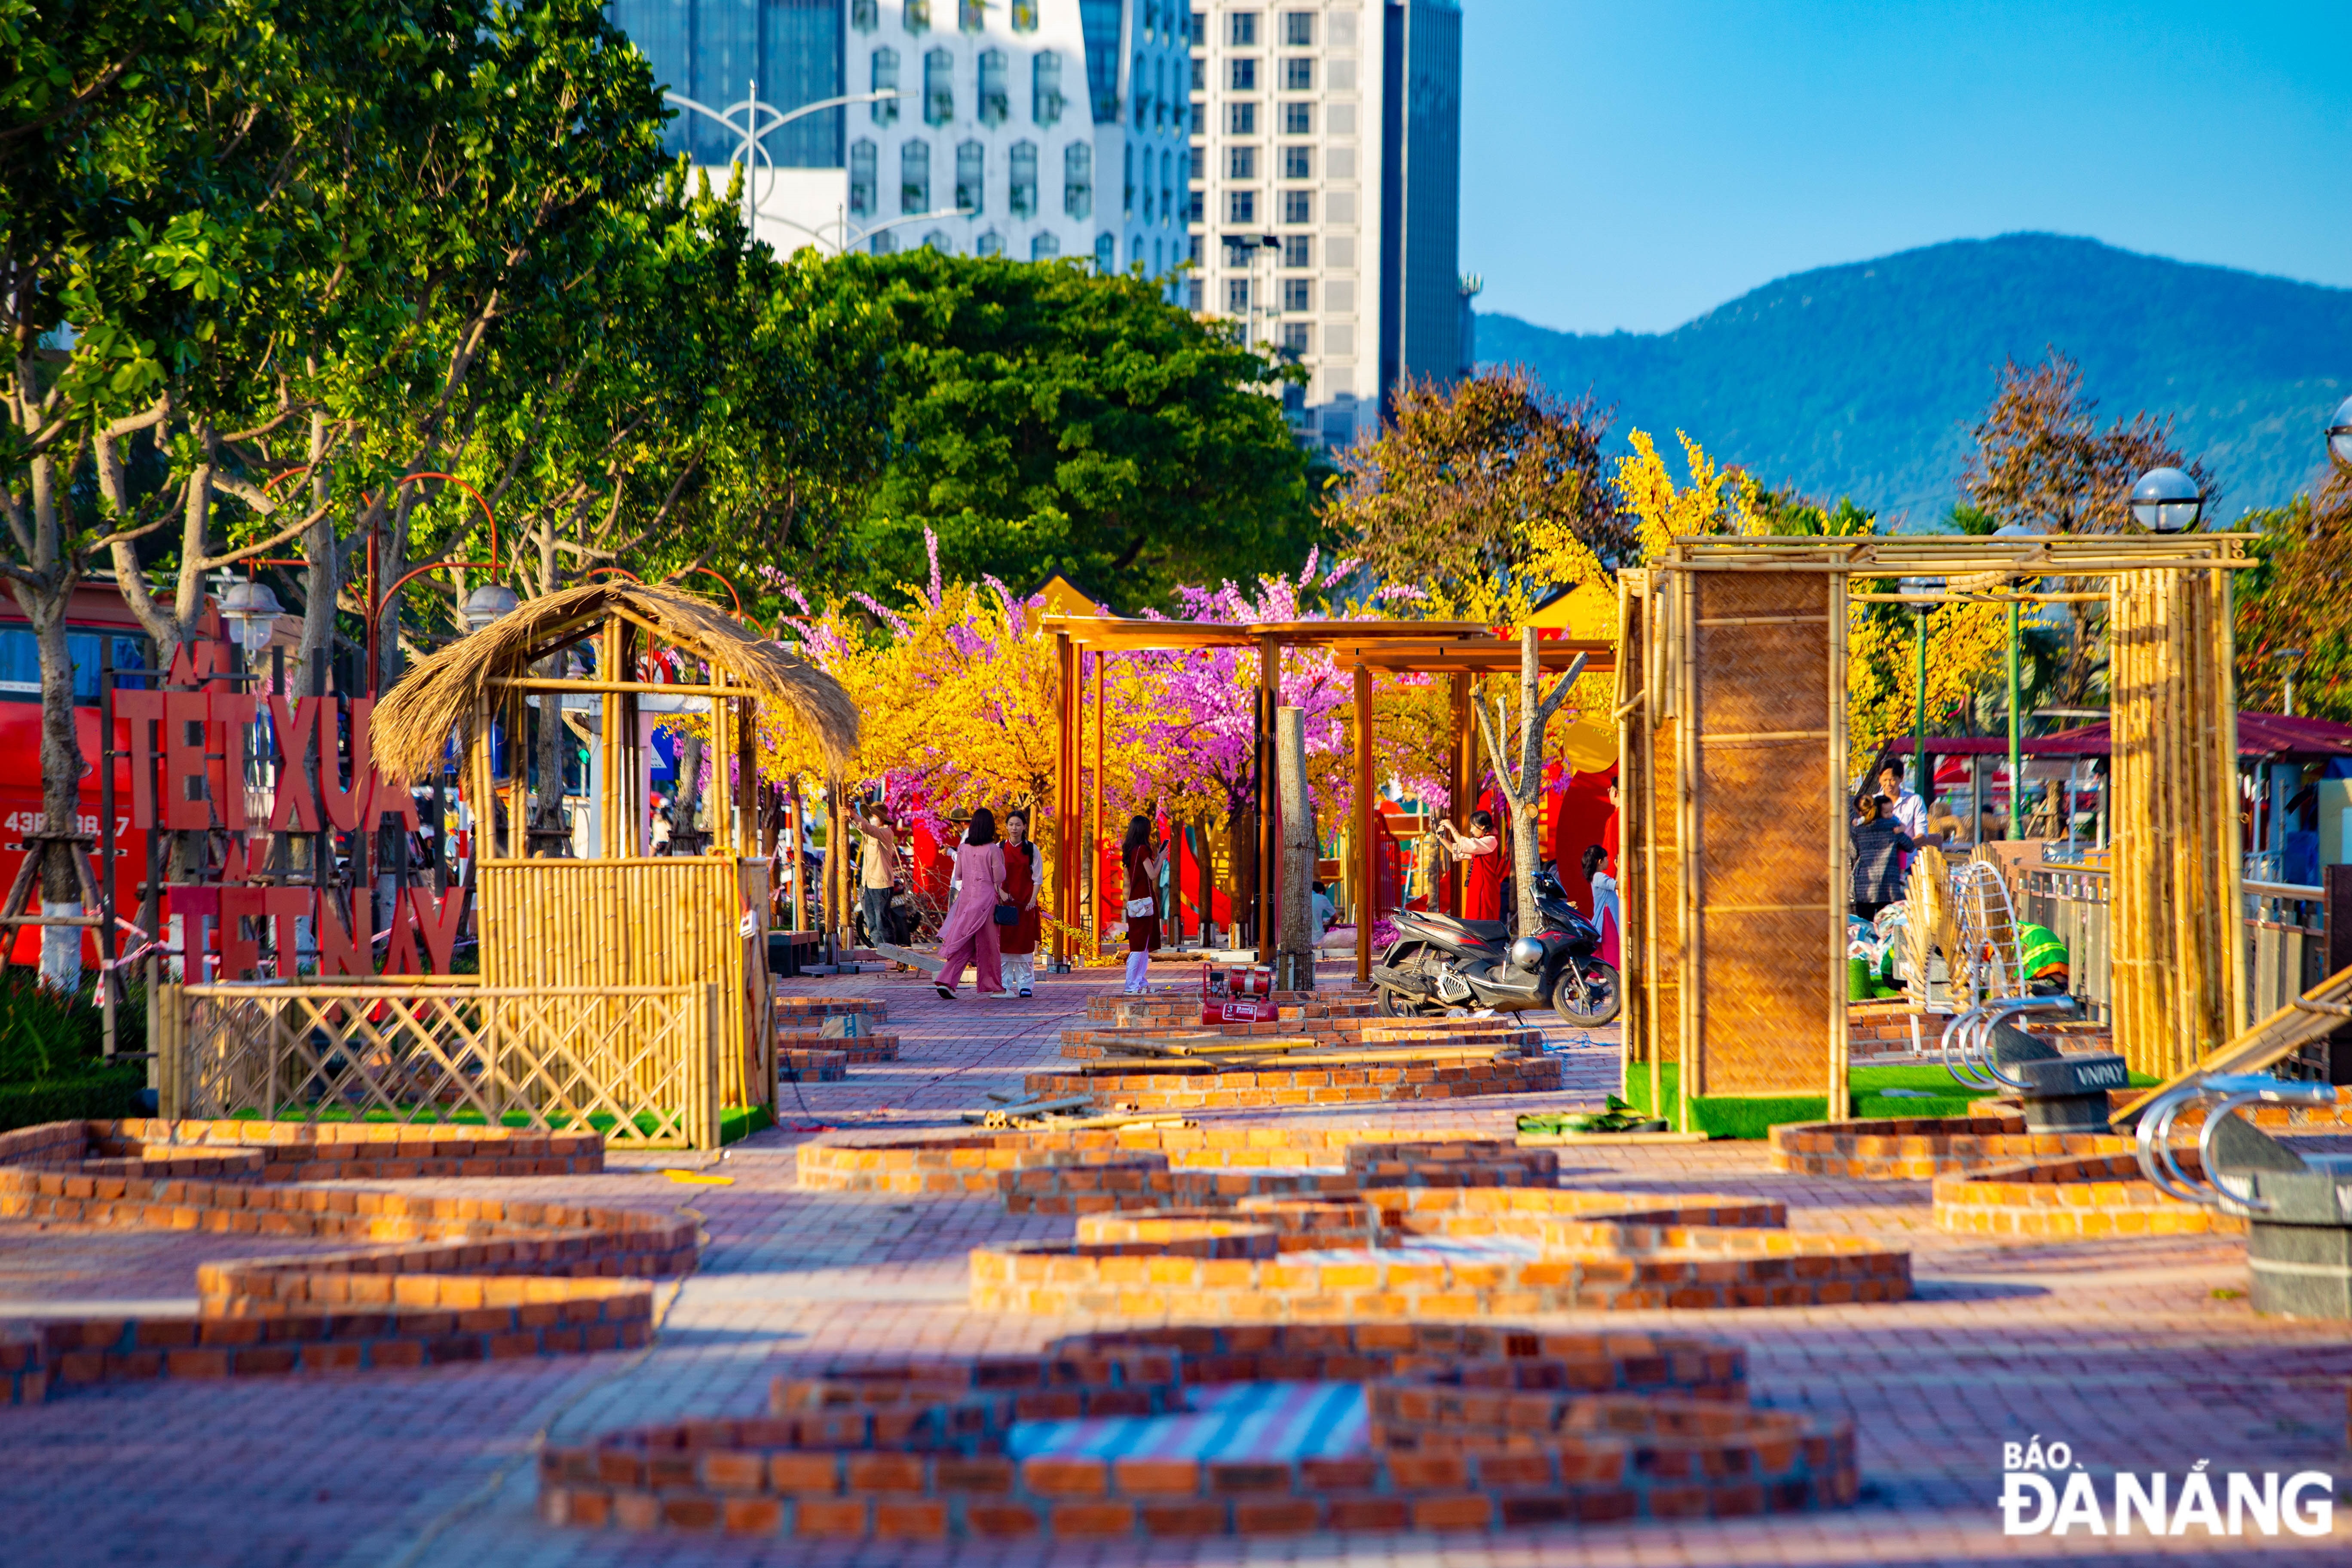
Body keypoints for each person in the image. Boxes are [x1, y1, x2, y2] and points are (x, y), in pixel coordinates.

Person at [934, 808, 1007, 1000]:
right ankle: (995, 988)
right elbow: (1000, 877)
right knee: (990, 945)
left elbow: (958, 875)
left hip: (966, 901)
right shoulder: (993, 850)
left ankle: (946, 980)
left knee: (965, 943)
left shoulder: (964, 848)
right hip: (986, 903)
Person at [1850, 791, 1932, 921]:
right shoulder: (1893, 826)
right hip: (1889, 887)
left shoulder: (1857, 829)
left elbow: (1854, 852)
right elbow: (1910, 846)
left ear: (1860, 813)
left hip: (1865, 887)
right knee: (1887, 928)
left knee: (1865, 926)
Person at [1118, 815, 1165, 994]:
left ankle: (1140, 982)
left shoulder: (1131, 851)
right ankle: (1132, 985)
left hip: (1136, 901)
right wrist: (1160, 858)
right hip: (1144, 902)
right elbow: (1153, 875)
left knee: (1142, 945)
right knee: (1139, 947)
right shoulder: (1143, 850)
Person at [1435, 810, 1506, 922]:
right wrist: (1441, 838)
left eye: (1473, 827)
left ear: (1482, 826)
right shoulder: (1483, 843)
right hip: (1478, 887)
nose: (1471, 830)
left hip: (1485, 889)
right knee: (1474, 918)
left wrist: (1452, 828)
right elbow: (1458, 850)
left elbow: (1466, 844)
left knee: (1482, 920)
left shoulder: (1491, 840)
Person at [1000, 809, 1042, 997]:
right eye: (1011, 825)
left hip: (1026, 906)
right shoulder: (999, 848)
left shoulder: (1032, 849)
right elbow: (992, 876)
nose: (1014, 828)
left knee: (1024, 946)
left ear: (1025, 826)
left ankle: (1026, 984)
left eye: (1018, 824)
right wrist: (1000, 893)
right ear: (1006, 826)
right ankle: (1004, 983)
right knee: (1005, 946)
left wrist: (1032, 899)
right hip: (1005, 905)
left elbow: (1037, 878)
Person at [853, 804, 898, 950]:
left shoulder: (886, 833)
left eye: (873, 816)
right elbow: (863, 828)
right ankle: (879, 951)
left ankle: (891, 951)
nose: (871, 819)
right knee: (871, 921)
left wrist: (853, 815)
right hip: (868, 884)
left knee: (882, 921)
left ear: (881, 818)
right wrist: (851, 814)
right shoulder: (871, 833)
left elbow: (868, 829)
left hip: (881, 884)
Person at [1583, 843, 1620, 968]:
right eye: (1607, 859)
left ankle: (1597, 982)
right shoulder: (1599, 876)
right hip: (1607, 918)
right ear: (1600, 862)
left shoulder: (1597, 877)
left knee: (1600, 951)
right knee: (1612, 947)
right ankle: (1615, 980)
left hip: (1605, 917)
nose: (1608, 861)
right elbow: (1618, 885)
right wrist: (1619, 869)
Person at [1877, 763, 1929, 841]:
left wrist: (1906, 847)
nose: (1888, 784)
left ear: (1901, 778)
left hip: (1907, 852)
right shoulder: (1873, 801)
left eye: (1893, 780)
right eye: (1885, 780)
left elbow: (1922, 834)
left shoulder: (1915, 800)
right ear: (1879, 779)